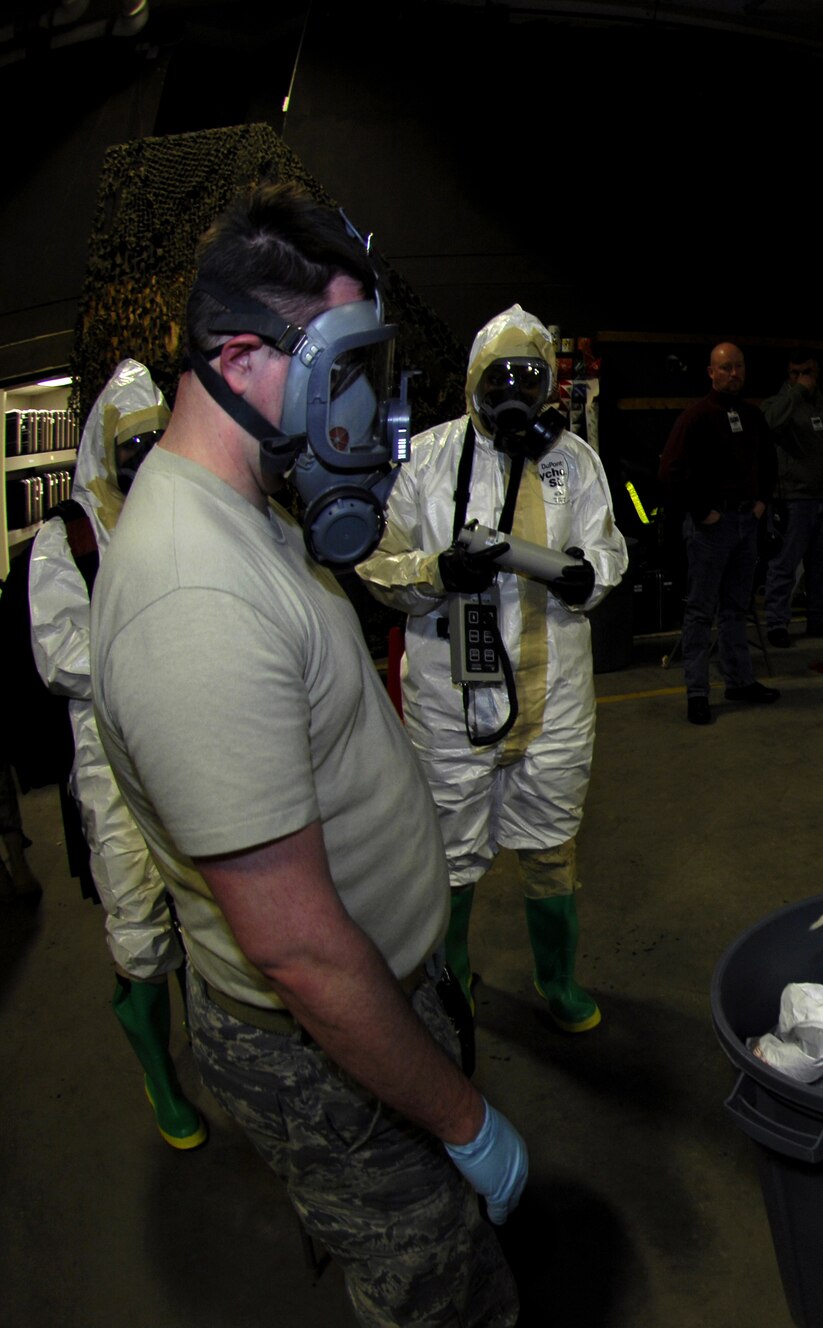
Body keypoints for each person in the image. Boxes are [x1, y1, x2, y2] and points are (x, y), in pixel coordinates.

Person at [90, 183, 524, 1326]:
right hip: (321, 1039)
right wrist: (468, 1121)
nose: (371, 404)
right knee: (431, 1285)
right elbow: (300, 954)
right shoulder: (193, 595)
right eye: (351, 364)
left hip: (381, 993)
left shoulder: (254, 507)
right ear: (243, 355)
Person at [358, 304, 629, 1035]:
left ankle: (558, 980)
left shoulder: (574, 461)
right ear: (473, 384)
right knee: (449, 856)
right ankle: (454, 983)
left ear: (549, 388)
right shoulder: (427, 459)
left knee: (551, 843)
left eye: (528, 379)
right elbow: (378, 565)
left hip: (558, 696)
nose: (514, 394)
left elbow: (608, 544)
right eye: (499, 379)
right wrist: (436, 569)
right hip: (452, 703)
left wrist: (588, 577)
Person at [27, 358, 208, 1149]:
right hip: (109, 756)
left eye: (151, 443)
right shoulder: (64, 539)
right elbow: (60, 655)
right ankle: (160, 1081)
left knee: (209, 899)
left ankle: (222, 1049)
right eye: (125, 447)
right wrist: (144, 650)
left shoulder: (183, 512)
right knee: (138, 924)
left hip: (190, 741)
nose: (139, 461)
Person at [658, 341, 780, 724]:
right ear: (711, 372)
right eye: (725, 368)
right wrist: (703, 511)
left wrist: (761, 502)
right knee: (700, 611)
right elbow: (670, 473)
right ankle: (697, 692)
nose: (733, 374)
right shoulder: (696, 417)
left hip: (746, 524)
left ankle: (739, 680)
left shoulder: (752, 416)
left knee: (736, 609)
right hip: (713, 528)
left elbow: (769, 464)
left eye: (738, 367)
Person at [761, 352, 823, 647]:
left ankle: (819, 616)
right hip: (793, 498)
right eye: (794, 372)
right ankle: (777, 622)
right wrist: (798, 392)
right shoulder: (780, 405)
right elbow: (769, 424)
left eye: (807, 372)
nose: (800, 377)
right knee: (785, 564)